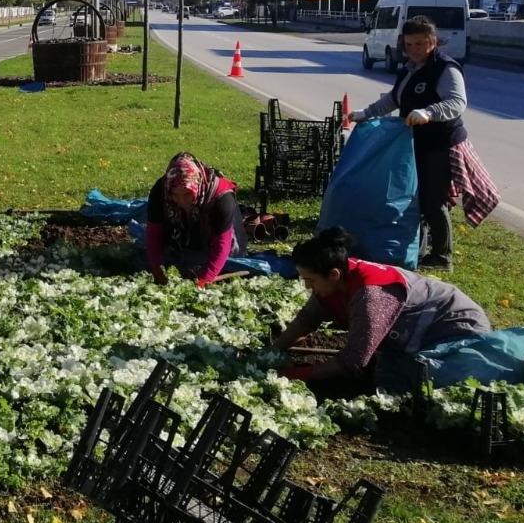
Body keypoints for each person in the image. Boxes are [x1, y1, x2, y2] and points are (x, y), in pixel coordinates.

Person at [270, 226, 490, 397]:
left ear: (334, 274)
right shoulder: (334, 280)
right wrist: (271, 352)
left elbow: (353, 359)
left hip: (456, 330)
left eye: (311, 280)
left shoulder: (370, 295)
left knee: (412, 389)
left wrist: (297, 375)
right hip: (413, 332)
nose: (308, 287)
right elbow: (308, 319)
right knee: (384, 375)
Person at [351, 15, 466, 269]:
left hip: (439, 144)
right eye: (409, 44)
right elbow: (394, 99)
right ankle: (419, 247)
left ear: (433, 42)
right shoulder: (409, 68)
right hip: (413, 143)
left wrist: (429, 112)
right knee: (415, 196)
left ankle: (442, 256)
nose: (414, 49)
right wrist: (366, 113)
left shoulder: (446, 68)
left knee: (434, 200)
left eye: (421, 44)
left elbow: (457, 103)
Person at [144, 152, 249, 286]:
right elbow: (153, 232)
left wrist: (205, 278)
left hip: (217, 235)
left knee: (227, 259)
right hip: (186, 229)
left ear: (197, 187)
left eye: (187, 194)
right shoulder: (161, 190)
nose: (181, 201)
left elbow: (221, 243)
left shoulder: (222, 198)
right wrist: (157, 269)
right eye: (175, 195)